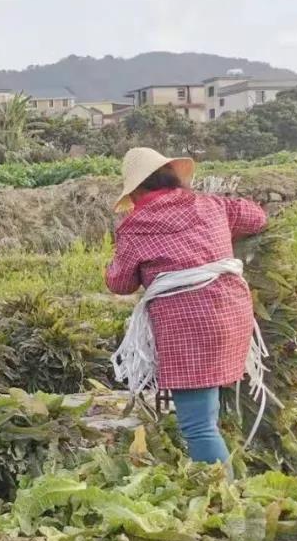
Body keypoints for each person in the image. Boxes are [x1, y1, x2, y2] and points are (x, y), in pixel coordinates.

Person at [106, 146, 267, 463]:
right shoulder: (211, 204)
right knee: (209, 415)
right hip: (231, 312)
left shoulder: (136, 225)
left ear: (137, 189)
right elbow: (258, 218)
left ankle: (223, 502)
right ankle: (225, 485)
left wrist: (108, 268)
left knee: (199, 427)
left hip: (188, 325)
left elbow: (120, 283)